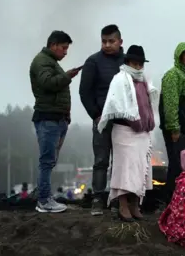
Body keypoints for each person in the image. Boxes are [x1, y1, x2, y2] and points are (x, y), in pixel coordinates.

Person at [97, 45, 158, 222]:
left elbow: (148, 104)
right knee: (124, 170)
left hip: (142, 133)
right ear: (128, 62)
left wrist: (148, 121)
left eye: (140, 63)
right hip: (124, 130)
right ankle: (123, 205)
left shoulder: (145, 80)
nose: (138, 66)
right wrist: (134, 120)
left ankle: (134, 204)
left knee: (140, 170)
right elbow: (117, 105)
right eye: (135, 63)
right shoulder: (120, 79)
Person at [29, 30, 80, 213]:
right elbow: (47, 83)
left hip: (57, 118)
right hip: (48, 118)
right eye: (64, 48)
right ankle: (44, 200)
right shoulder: (42, 61)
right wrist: (68, 76)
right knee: (47, 160)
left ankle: (44, 196)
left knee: (49, 161)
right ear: (54, 45)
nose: (66, 52)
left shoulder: (51, 62)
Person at [79, 24, 125, 216]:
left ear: (120, 42)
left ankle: (116, 199)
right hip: (102, 119)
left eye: (111, 41)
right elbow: (84, 92)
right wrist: (95, 114)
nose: (107, 45)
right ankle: (98, 198)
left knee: (120, 161)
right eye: (104, 41)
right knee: (101, 160)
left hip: (124, 121)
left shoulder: (128, 62)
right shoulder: (93, 62)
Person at [159, 42, 185, 202]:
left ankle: (184, 202)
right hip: (178, 132)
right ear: (179, 57)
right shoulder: (173, 75)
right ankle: (169, 202)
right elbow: (170, 104)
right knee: (176, 167)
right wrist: (174, 128)